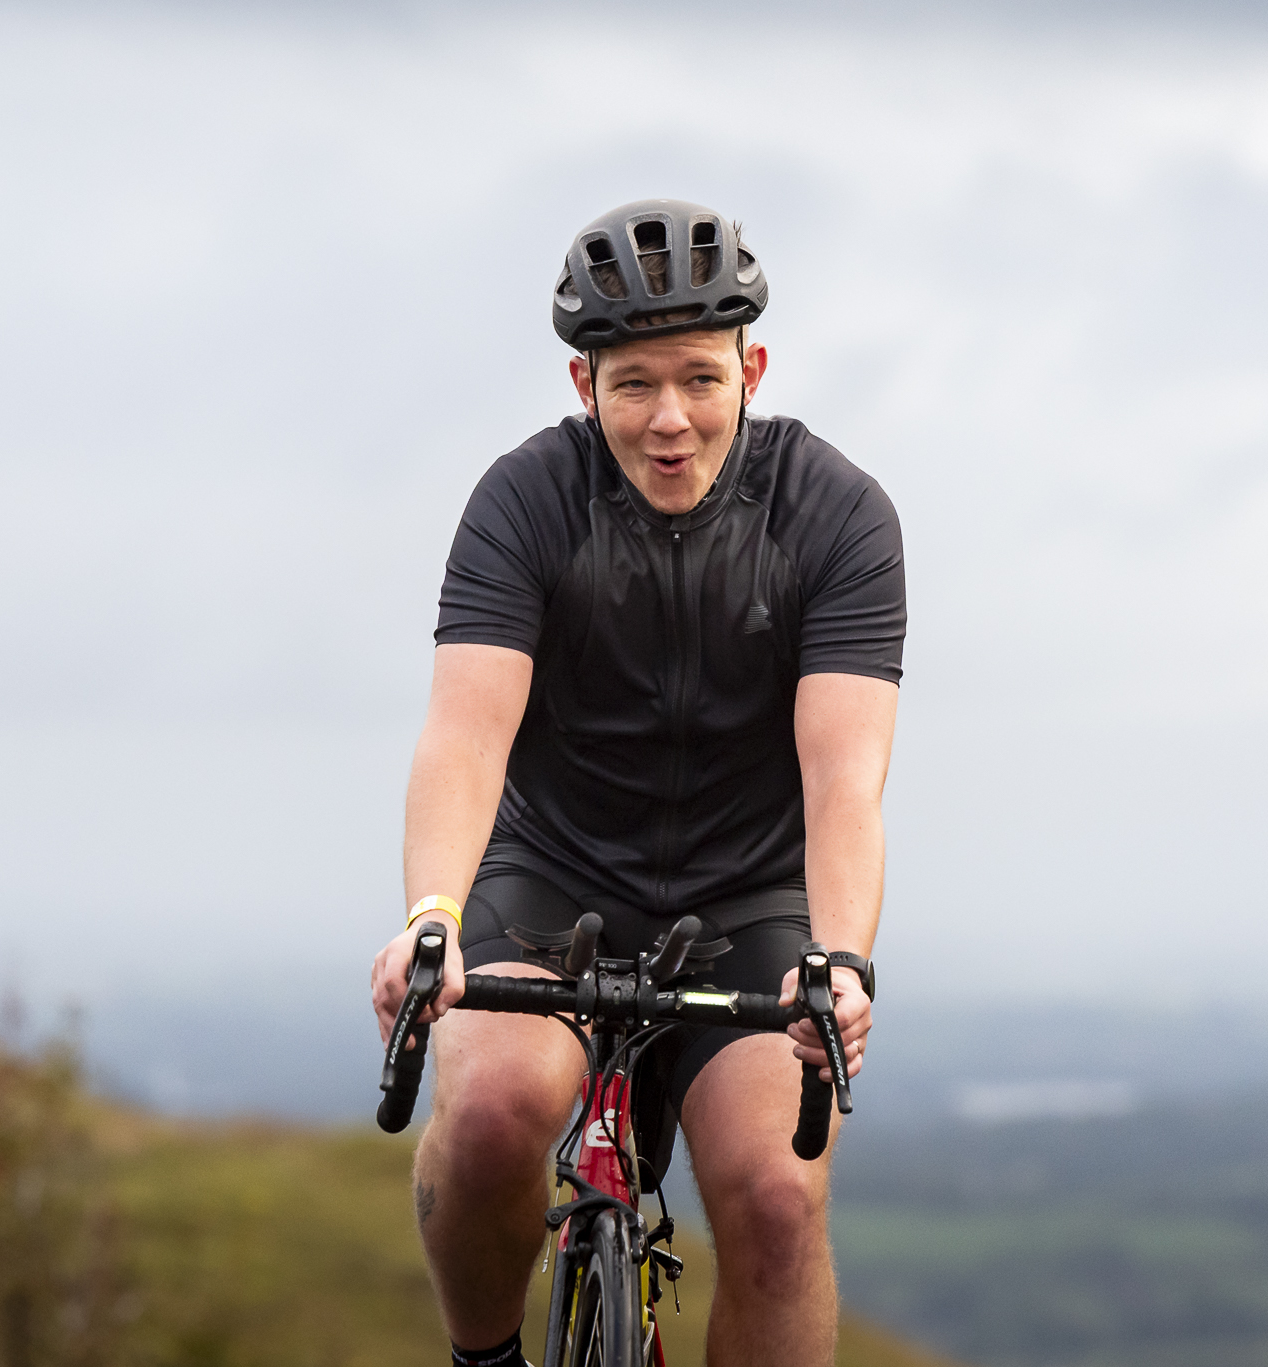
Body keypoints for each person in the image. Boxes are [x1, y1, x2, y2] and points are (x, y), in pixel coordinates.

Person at [370, 198, 904, 1367]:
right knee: (489, 1113)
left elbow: (842, 777)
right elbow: (464, 736)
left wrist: (838, 956)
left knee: (777, 1196)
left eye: (700, 379)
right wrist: (431, 915)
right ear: (583, 384)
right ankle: (485, 1358)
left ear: (750, 370)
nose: (670, 419)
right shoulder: (522, 500)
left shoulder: (835, 513)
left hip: (751, 898)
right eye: (634, 386)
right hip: (549, 877)